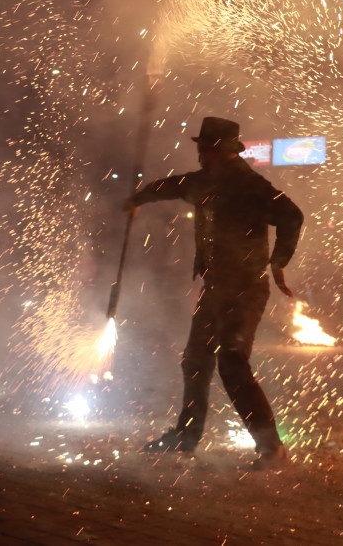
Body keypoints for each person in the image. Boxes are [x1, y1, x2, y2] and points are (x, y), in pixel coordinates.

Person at [123, 117, 304, 470]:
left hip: (245, 289)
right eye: (201, 149)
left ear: (222, 151)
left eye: (206, 149)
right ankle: (186, 436)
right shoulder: (205, 180)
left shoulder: (250, 185)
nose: (201, 154)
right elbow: (171, 186)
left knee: (232, 364)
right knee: (195, 361)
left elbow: (292, 216)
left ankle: (273, 451)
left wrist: (278, 261)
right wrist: (137, 198)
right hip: (216, 288)